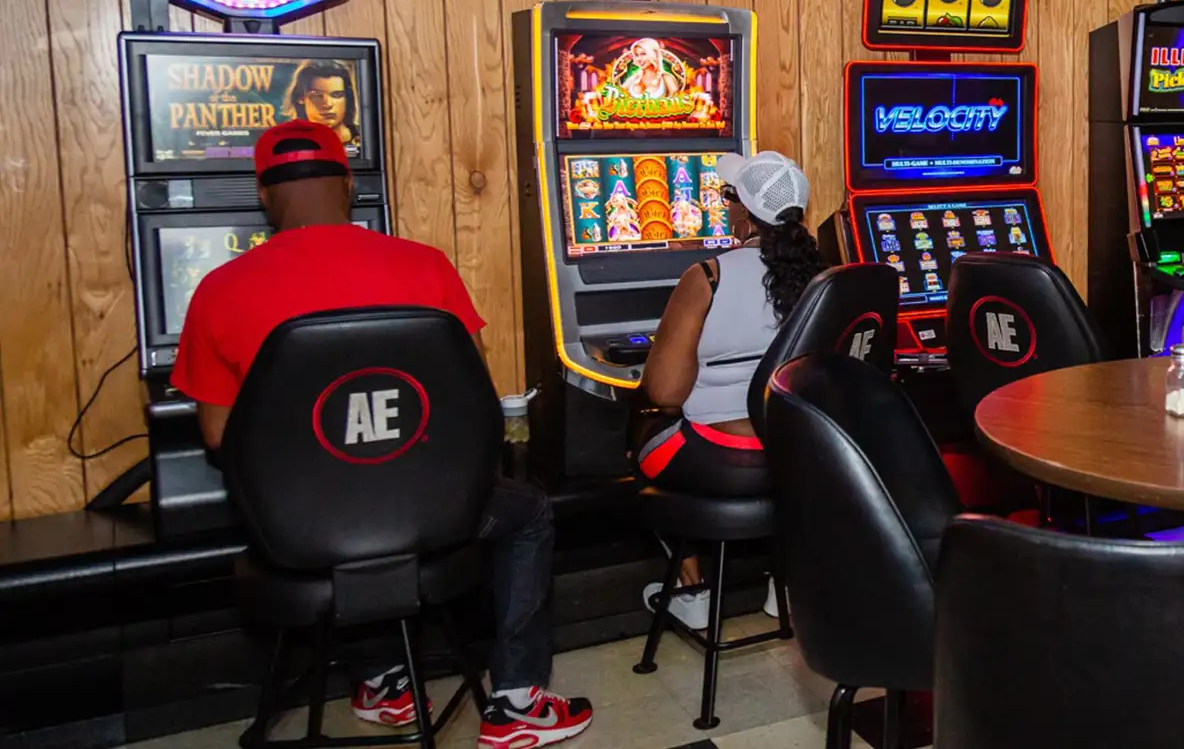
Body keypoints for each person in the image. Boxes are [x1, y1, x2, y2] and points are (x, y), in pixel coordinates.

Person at [171, 120, 592, 748]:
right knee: (526, 511)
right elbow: (473, 402)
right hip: (429, 516)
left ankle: (384, 679)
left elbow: (218, 437)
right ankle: (516, 702)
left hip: (300, 531)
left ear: (264, 194)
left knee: (349, 506)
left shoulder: (217, 290)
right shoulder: (424, 267)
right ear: (347, 184)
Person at [632, 150, 823, 628]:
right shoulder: (820, 276)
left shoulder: (707, 277)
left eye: (728, 196)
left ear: (742, 210)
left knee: (637, 428)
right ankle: (790, 588)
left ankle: (692, 589)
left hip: (720, 457)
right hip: (794, 452)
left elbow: (665, 391)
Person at [284, 59, 361, 150]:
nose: (328, 104)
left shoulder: (365, 137)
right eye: (317, 95)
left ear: (347, 98)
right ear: (300, 98)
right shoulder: (287, 143)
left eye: (336, 95)